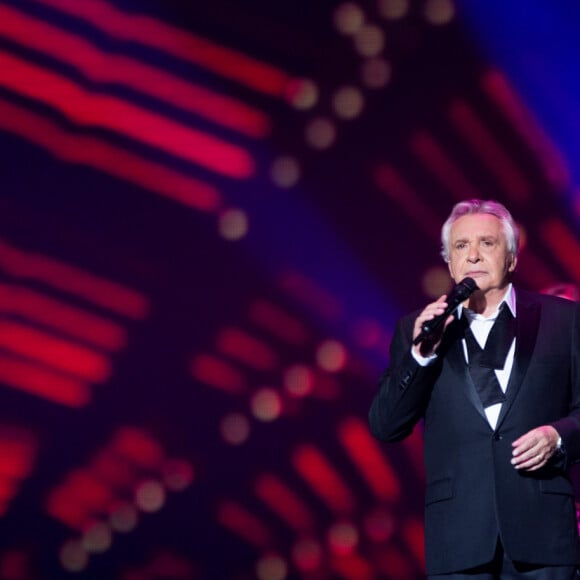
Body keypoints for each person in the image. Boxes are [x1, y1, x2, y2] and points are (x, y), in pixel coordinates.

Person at [369, 199, 580, 578]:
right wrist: (419, 358)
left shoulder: (563, 320)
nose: (474, 256)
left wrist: (558, 437)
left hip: (544, 537)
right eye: (461, 246)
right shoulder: (417, 328)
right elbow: (386, 425)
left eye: (488, 243)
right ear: (450, 263)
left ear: (512, 258)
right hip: (459, 543)